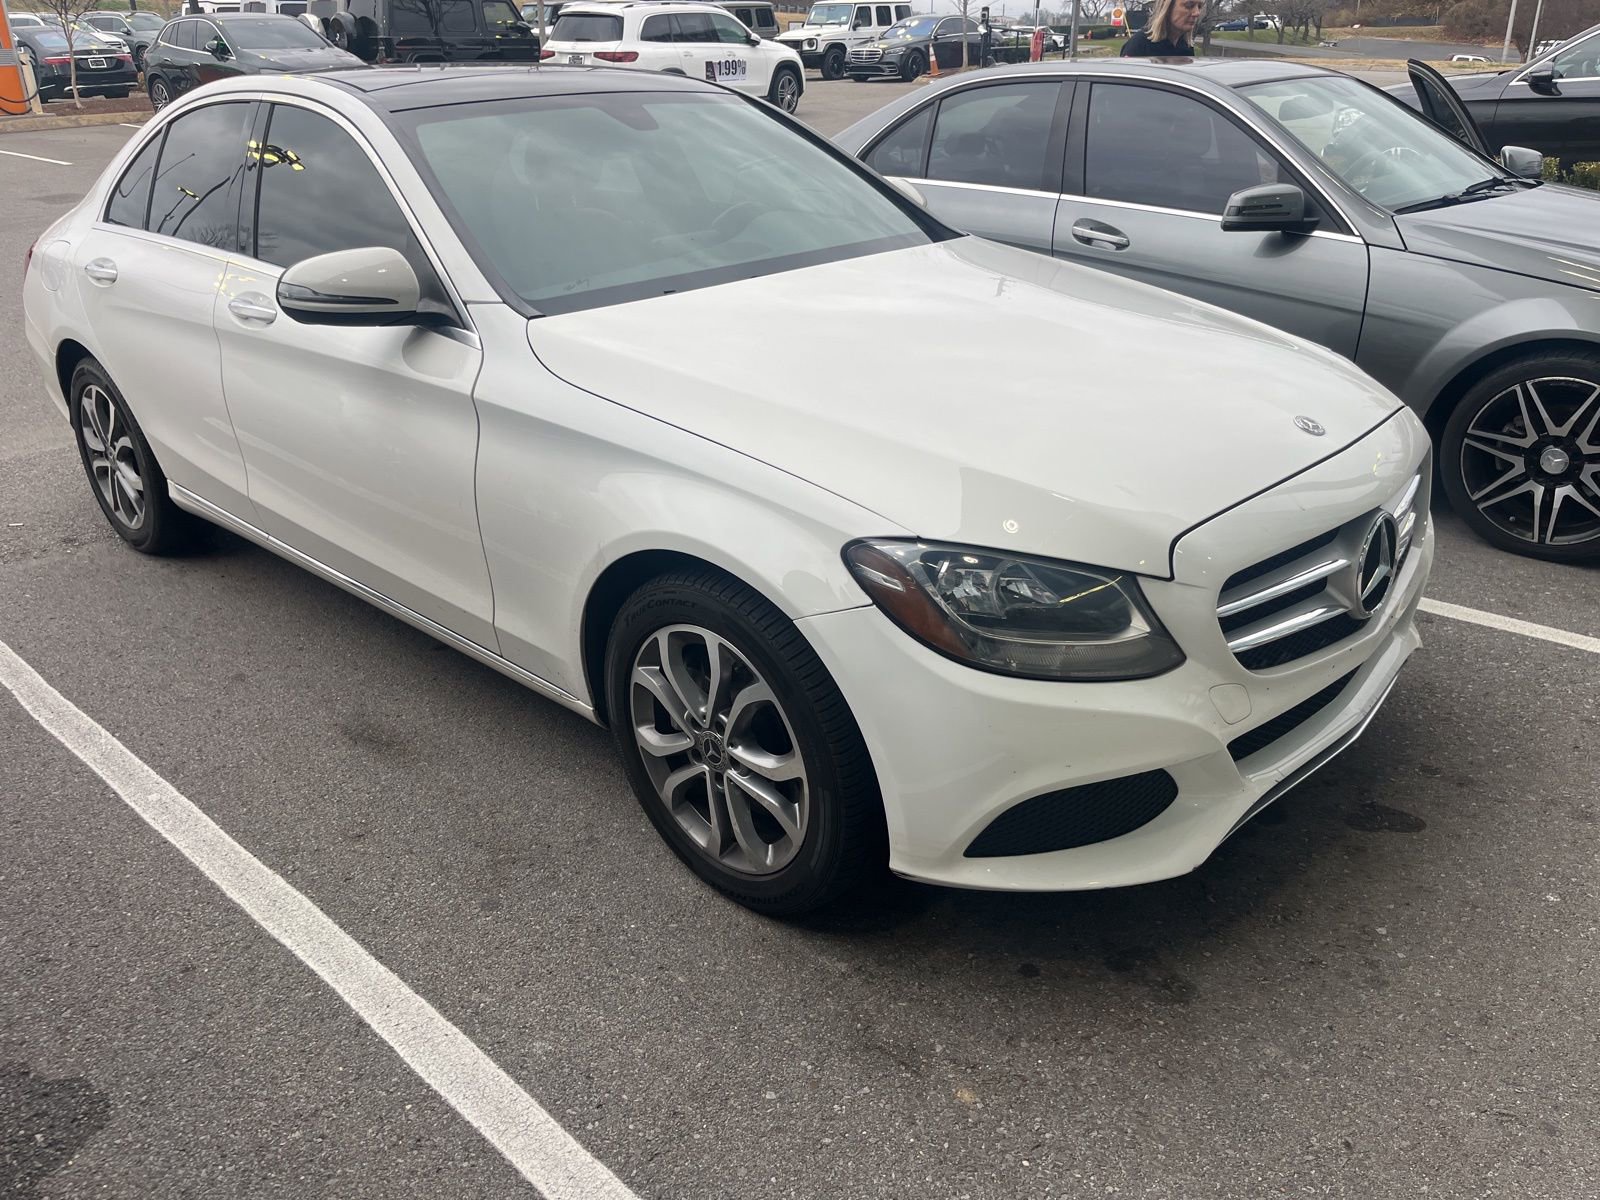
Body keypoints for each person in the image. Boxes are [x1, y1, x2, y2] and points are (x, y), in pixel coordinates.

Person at [1121, 0, 1202, 56]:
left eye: (1199, 6)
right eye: (1189, 6)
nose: (1197, 13)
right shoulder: (1139, 45)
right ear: (1167, 7)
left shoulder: (1186, 48)